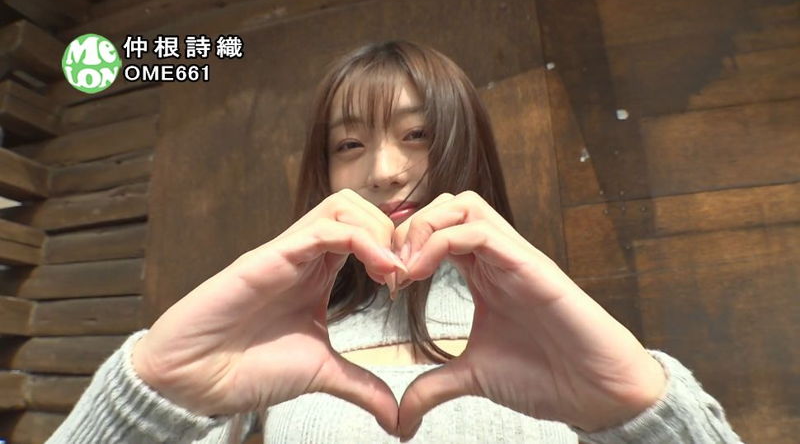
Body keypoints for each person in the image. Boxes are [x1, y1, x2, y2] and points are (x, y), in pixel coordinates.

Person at [46, 41, 743, 443]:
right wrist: (148, 394)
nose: (383, 170)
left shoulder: (550, 328)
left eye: (417, 134)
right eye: (349, 144)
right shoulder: (279, 336)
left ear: (469, 145)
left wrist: (643, 411)